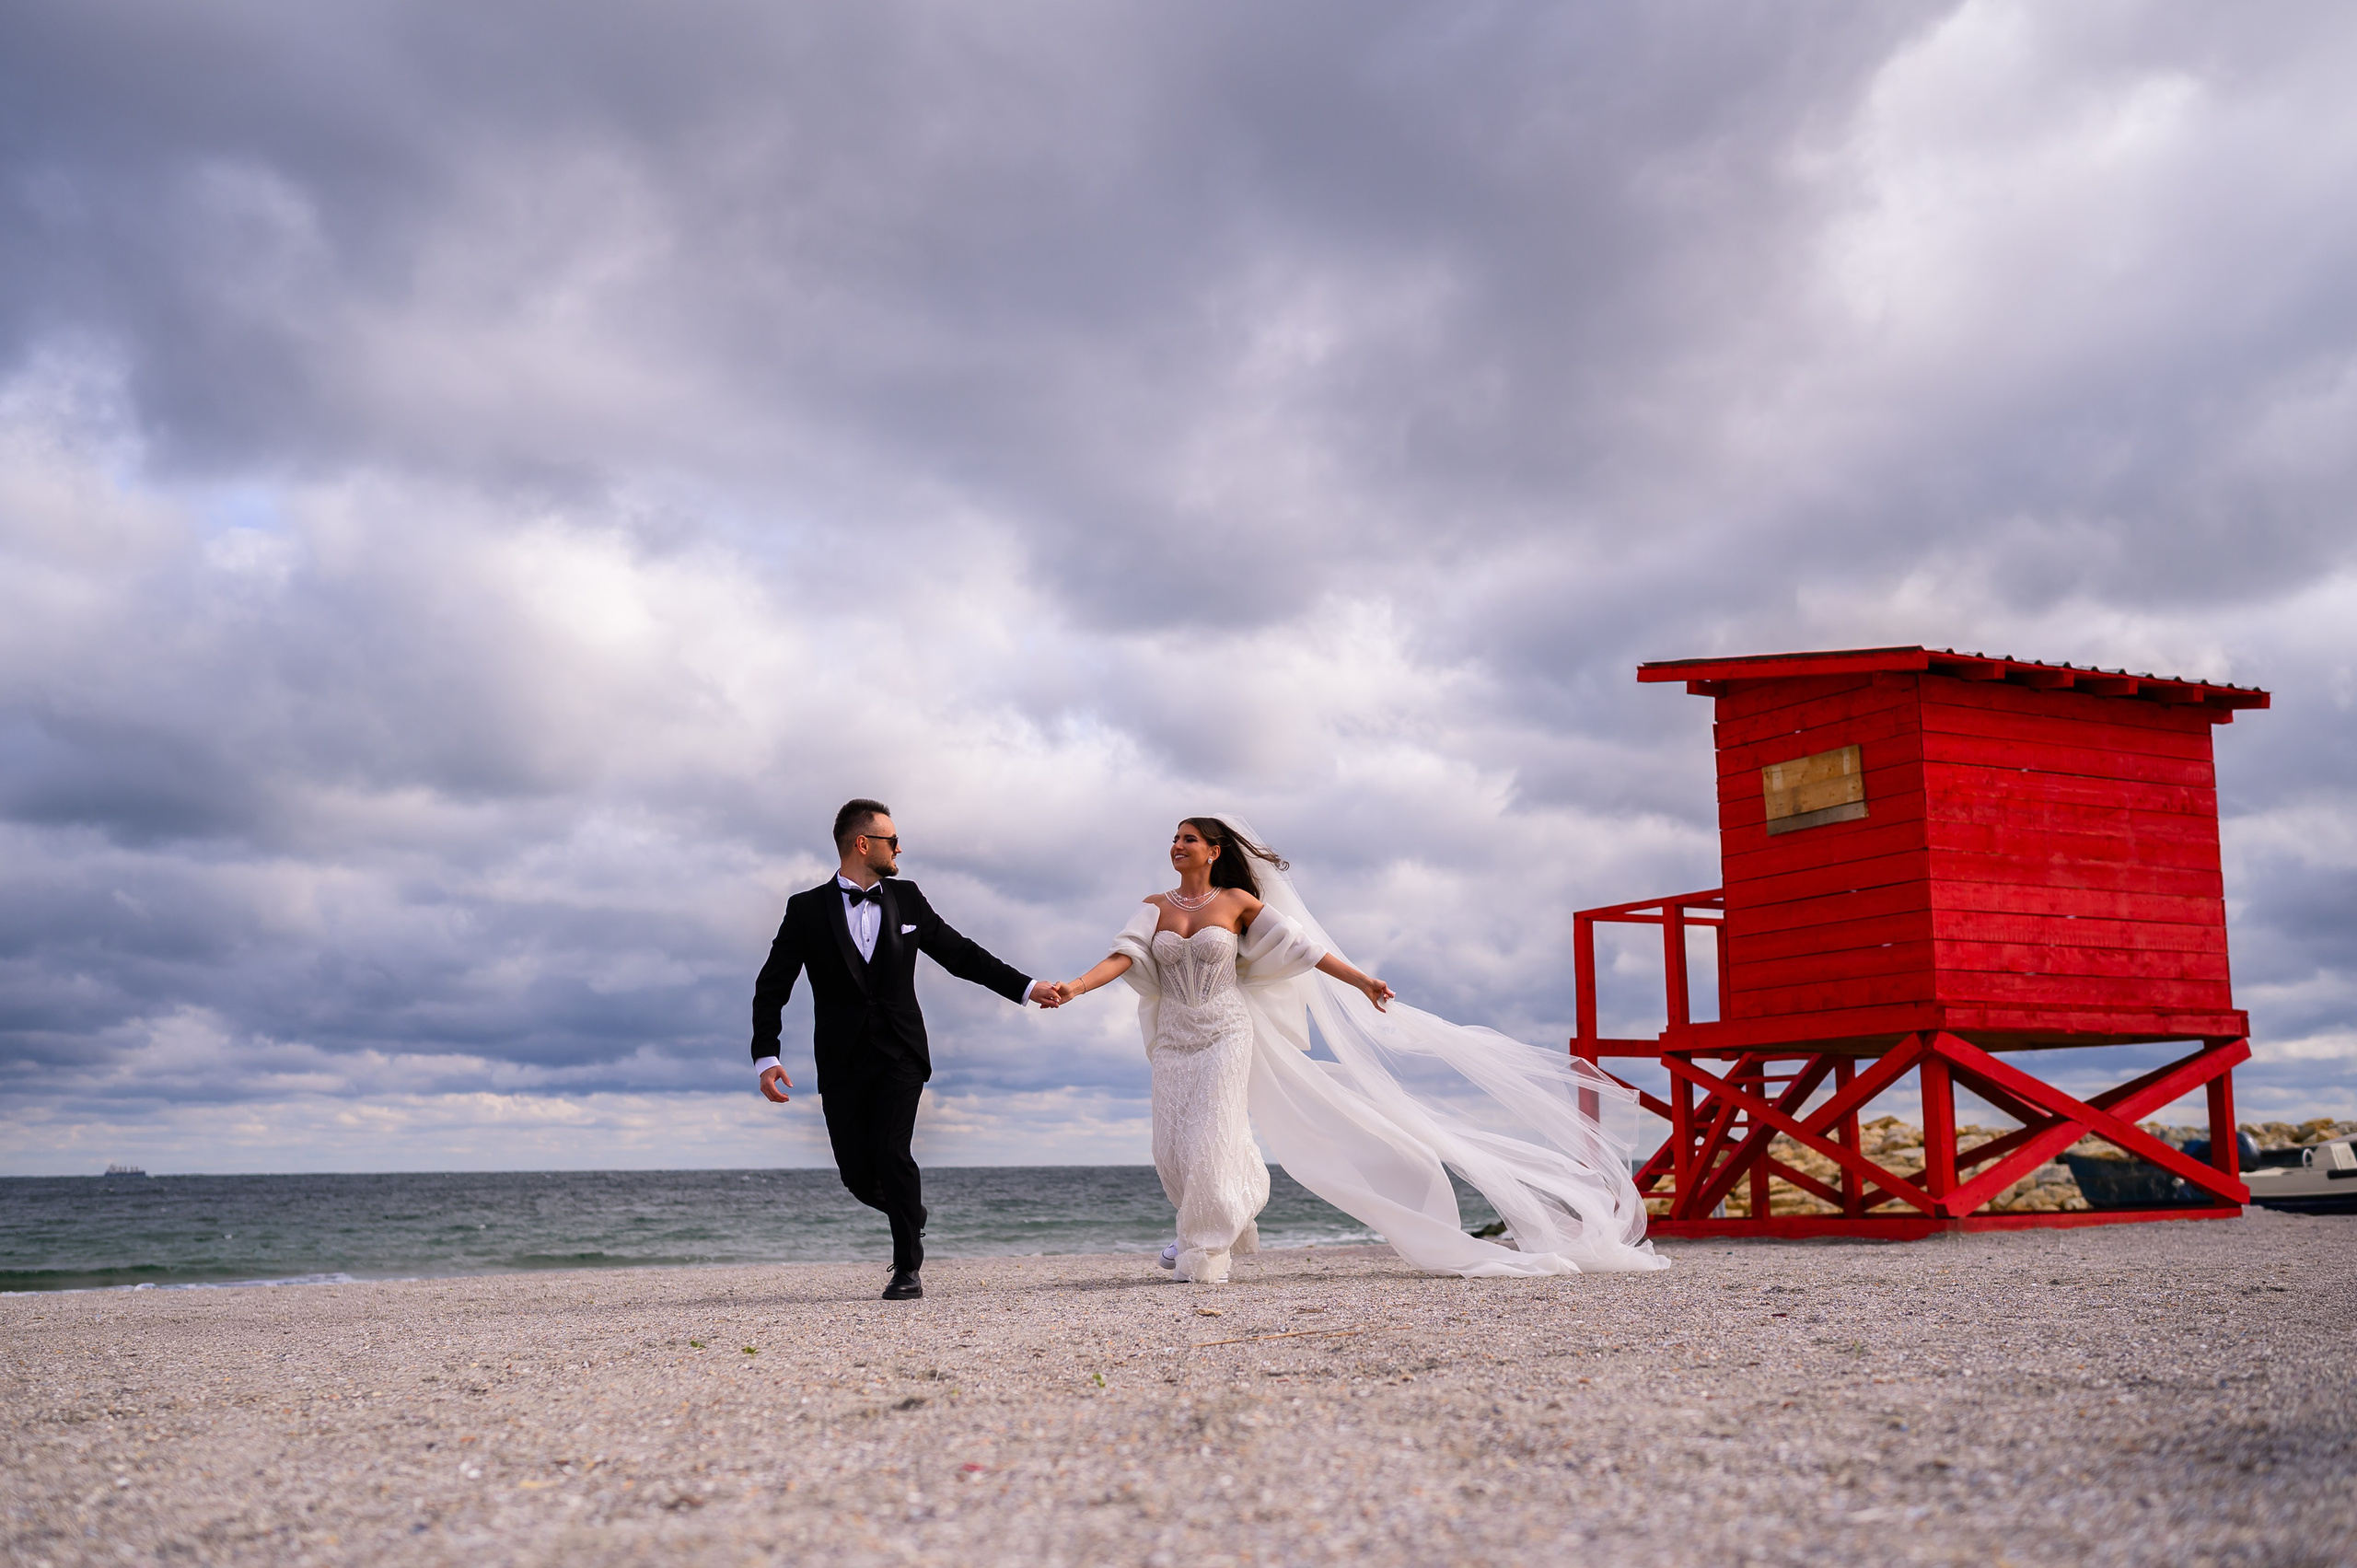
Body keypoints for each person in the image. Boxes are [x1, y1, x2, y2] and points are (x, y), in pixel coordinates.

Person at [1053, 816, 1666, 1283]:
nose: (1178, 844)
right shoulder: (1154, 907)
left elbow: (1304, 950)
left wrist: (1363, 980)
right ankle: (1228, 1213)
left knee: (1212, 1134)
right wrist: (1074, 988)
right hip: (1175, 1039)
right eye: (1175, 838)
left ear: (1214, 852)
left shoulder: (1238, 903)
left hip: (1224, 1031)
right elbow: (1124, 957)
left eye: (1189, 838)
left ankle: (1203, 1249)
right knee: (1174, 1148)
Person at [751, 799, 1062, 1300]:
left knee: (893, 1152)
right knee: (856, 1173)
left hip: (901, 1052)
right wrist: (766, 1055)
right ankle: (910, 1210)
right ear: (862, 844)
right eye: (891, 841)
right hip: (841, 1059)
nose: (899, 848)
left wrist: (1026, 988)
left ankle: (907, 1269)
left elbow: (961, 954)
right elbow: (773, 984)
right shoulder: (806, 910)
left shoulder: (909, 898)